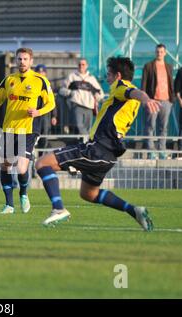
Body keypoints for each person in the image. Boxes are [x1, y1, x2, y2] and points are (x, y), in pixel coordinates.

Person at [35, 56, 160, 231]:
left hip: (97, 149)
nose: (107, 78)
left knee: (41, 163)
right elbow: (126, 102)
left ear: (118, 75)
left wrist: (147, 100)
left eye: (109, 74)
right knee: (88, 194)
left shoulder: (121, 87)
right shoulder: (125, 99)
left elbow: (133, 93)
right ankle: (134, 211)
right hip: (108, 156)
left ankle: (58, 208)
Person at [0, 47, 56, 214]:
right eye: (19, 59)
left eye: (25, 59)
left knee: (21, 168)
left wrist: (38, 112)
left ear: (31, 61)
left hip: (28, 130)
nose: (22, 62)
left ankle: (23, 193)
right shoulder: (9, 80)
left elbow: (51, 103)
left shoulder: (40, 80)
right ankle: (9, 205)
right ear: (15, 60)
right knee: (5, 166)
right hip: (9, 128)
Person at [142, 44, 174, 159]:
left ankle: (162, 149)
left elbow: (171, 83)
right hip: (153, 101)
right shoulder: (149, 66)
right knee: (150, 126)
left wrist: (171, 99)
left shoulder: (169, 66)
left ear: (165, 53)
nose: (159, 54)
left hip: (166, 101)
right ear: (155, 53)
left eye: (161, 52)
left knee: (164, 127)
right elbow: (144, 85)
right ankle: (151, 151)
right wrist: (146, 100)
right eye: (157, 52)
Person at [59, 58, 103, 135]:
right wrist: (70, 93)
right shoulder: (72, 76)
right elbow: (61, 90)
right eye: (79, 64)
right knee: (79, 126)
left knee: (87, 128)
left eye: (83, 64)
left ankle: (86, 145)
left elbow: (100, 93)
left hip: (89, 107)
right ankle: (87, 141)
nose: (81, 66)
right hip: (76, 105)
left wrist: (97, 97)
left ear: (87, 66)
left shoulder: (91, 78)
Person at [34, 64, 58, 146]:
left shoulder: (48, 85)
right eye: (38, 71)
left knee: (45, 134)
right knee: (33, 134)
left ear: (45, 73)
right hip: (34, 113)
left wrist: (54, 116)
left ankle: (41, 155)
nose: (40, 73)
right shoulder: (31, 83)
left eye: (42, 72)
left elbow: (52, 102)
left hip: (45, 113)